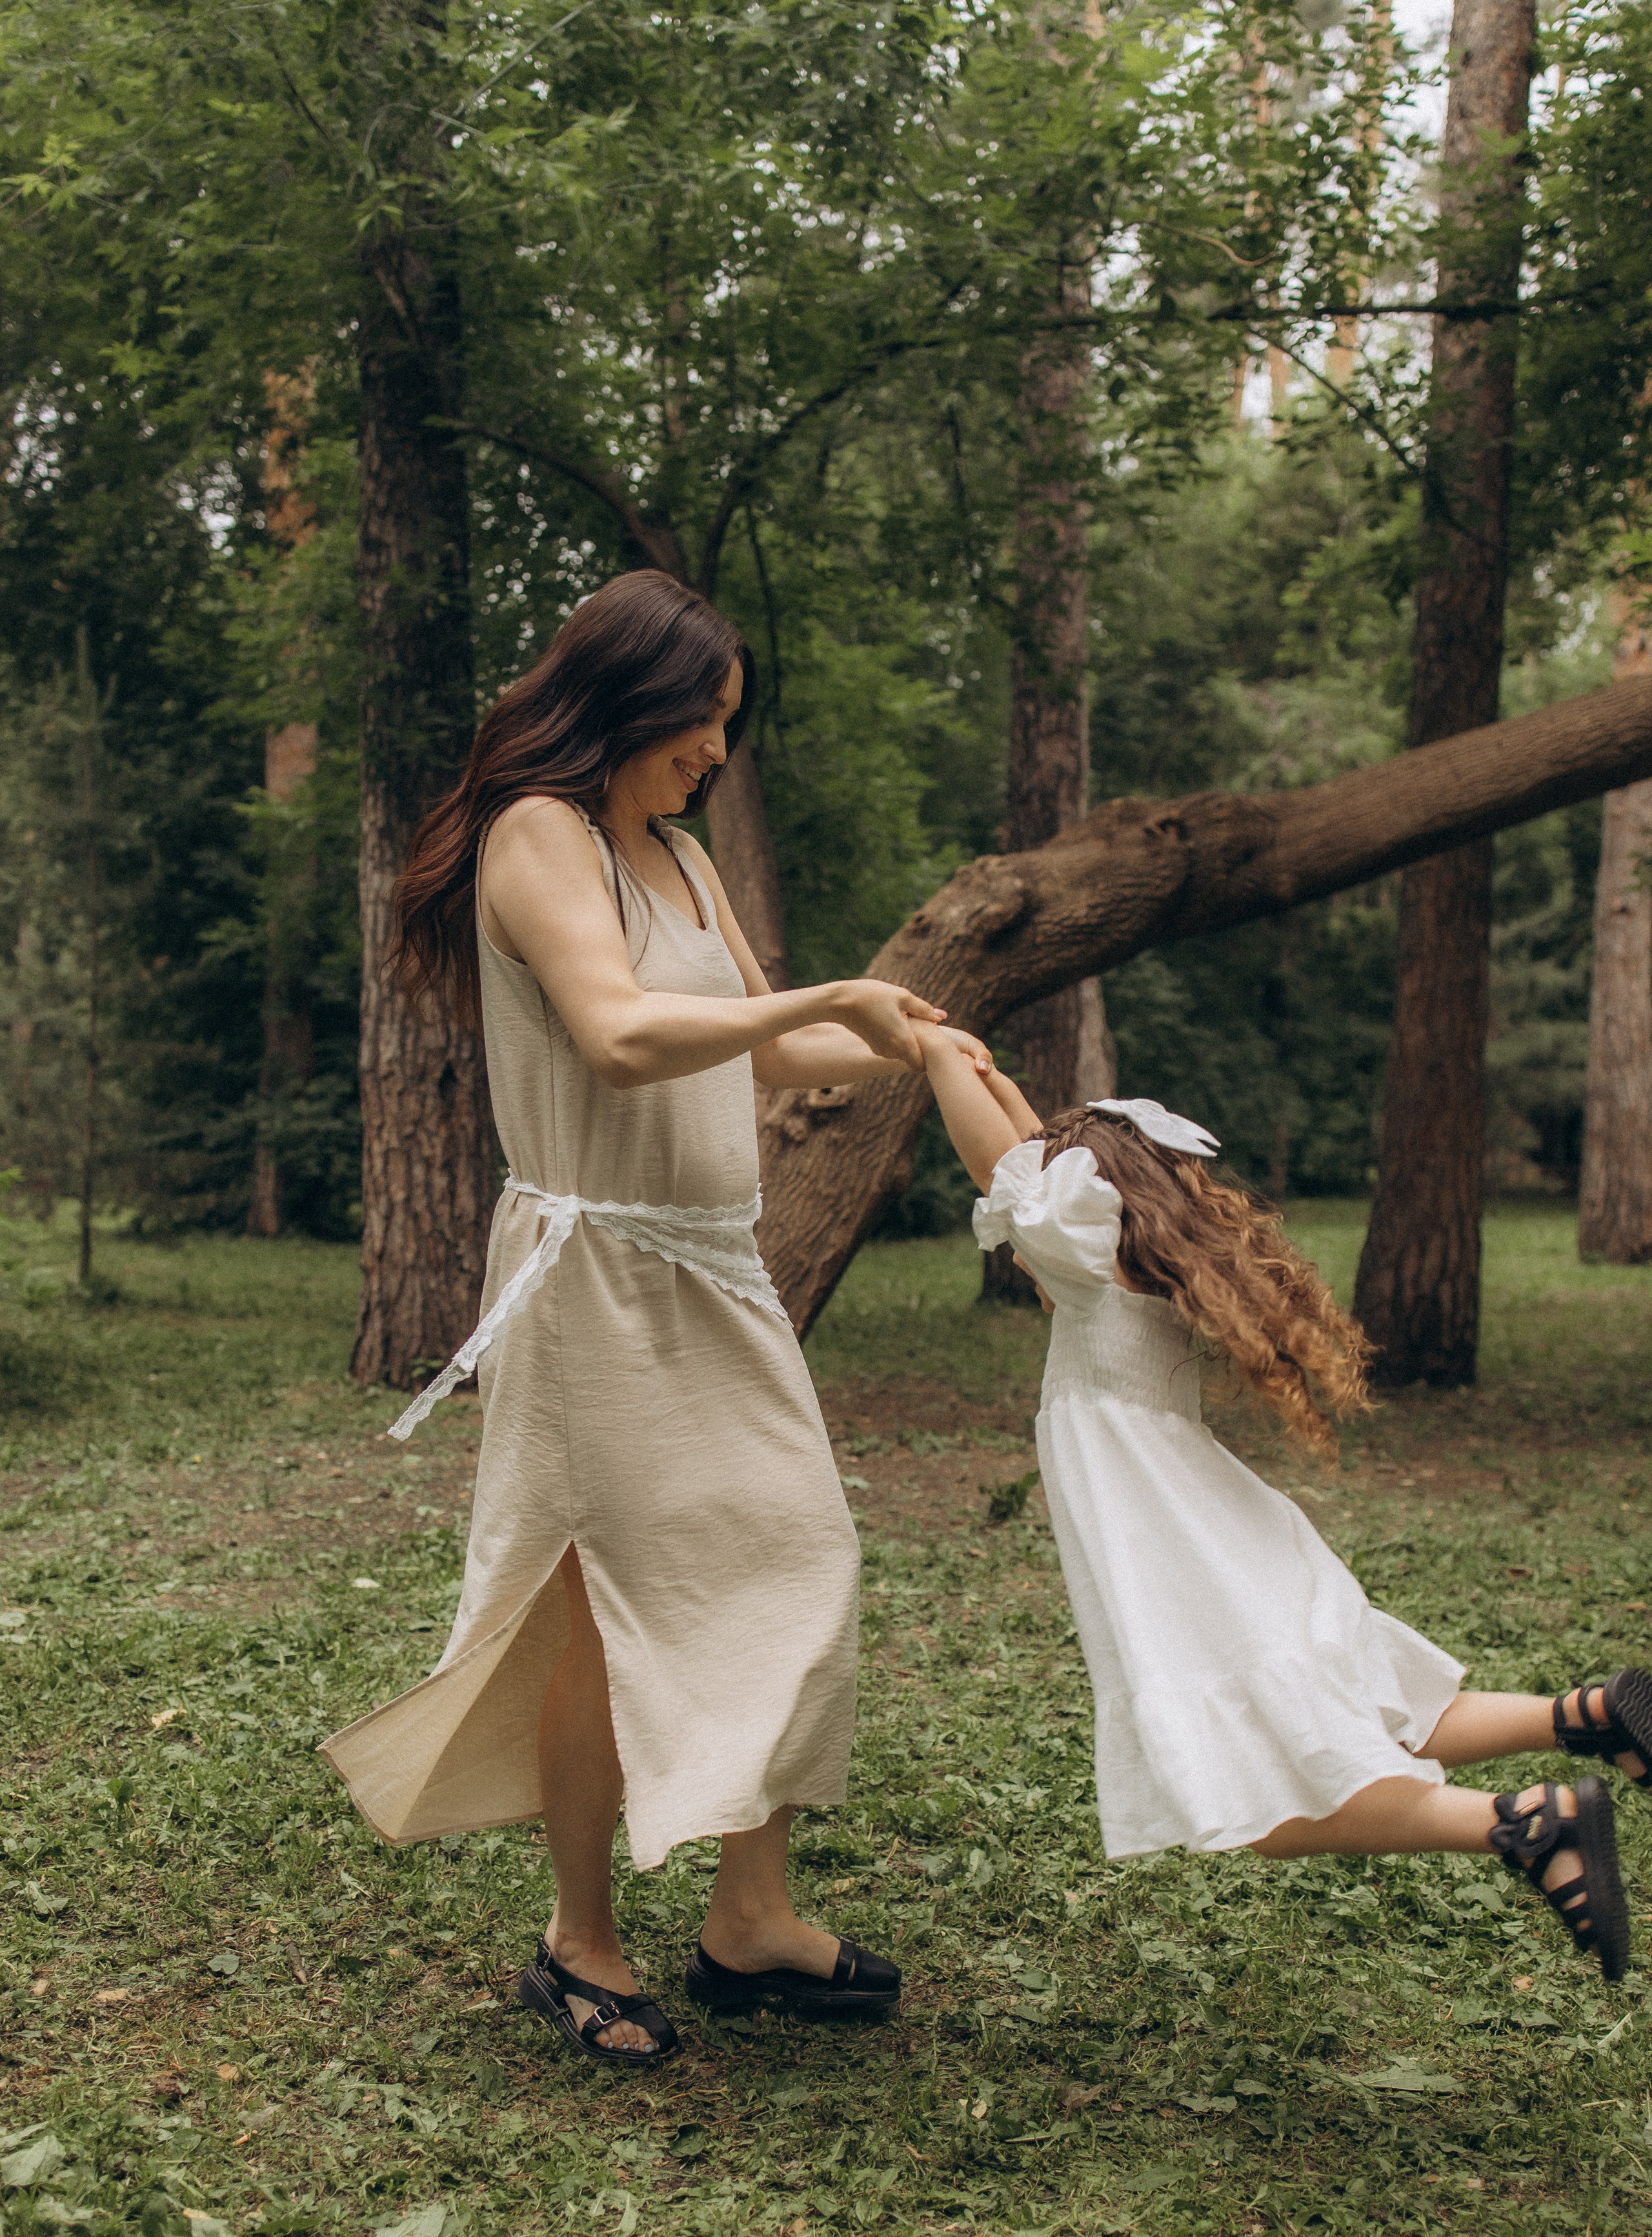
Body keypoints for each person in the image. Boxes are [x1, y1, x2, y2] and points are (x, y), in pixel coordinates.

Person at [323, 571, 973, 2064]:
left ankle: (749, 1922)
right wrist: (823, 995)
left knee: (798, 1552)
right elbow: (619, 1037)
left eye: (727, 729)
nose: (714, 755)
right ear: (629, 696)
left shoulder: (677, 853)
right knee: (601, 1616)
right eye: (701, 721)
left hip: (712, 1267)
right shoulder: (538, 837)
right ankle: (580, 1941)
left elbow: (776, 1043)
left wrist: (910, 1038)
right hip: (591, 1275)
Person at [916, 1028, 1648, 1983]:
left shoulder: (1090, 1256)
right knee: (1377, 1706)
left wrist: (927, 1047)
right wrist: (1000, 1081)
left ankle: (1524, 1826)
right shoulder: (1121, 1261)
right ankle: (1594, 1714)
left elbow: (1002, 1166)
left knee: (1264, 1800)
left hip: (1178, 1553)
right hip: (1223, 1532)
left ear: (1082, 1194)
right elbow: (1024, 1163)